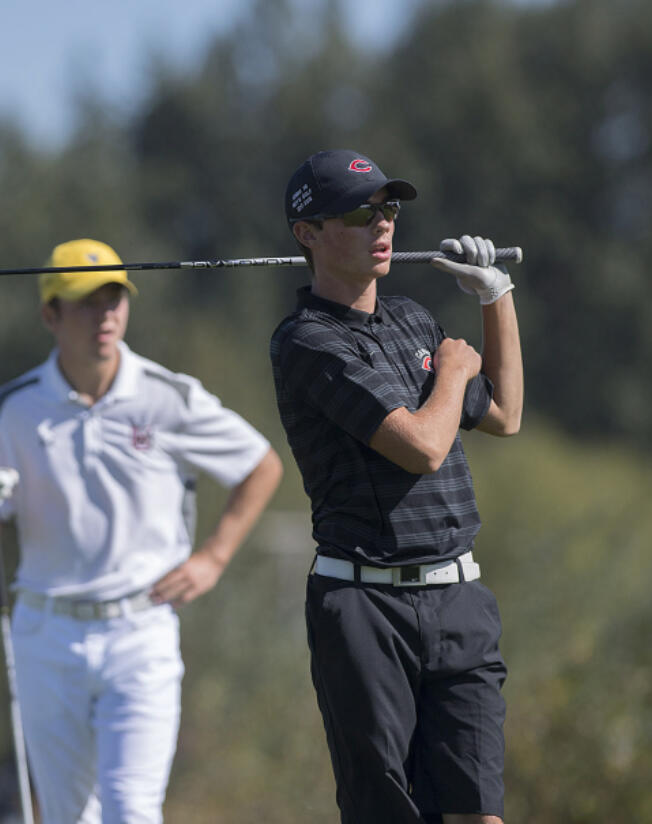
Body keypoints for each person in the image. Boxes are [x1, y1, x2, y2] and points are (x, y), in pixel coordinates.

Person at [0, 238, 284, 823]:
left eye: (114, 299)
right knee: (65, 816)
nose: (104, 315)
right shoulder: (12, 408)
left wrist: (213, 557)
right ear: (50, 314)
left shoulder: (168, 394)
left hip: (141, 630)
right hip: (45, 632)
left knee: (132, 811)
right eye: (84, 302)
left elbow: (260, 465)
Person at [271, 149, 523, 824]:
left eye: (389, 209)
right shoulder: (307, 342)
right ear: (309, 233)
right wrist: (452, 370)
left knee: (479, 814)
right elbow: (421, 446)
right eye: (360, 213)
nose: (383, 225)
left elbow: (503, 414)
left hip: (458, 600)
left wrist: (494, 296)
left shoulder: (413, 319)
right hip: (363, 607)